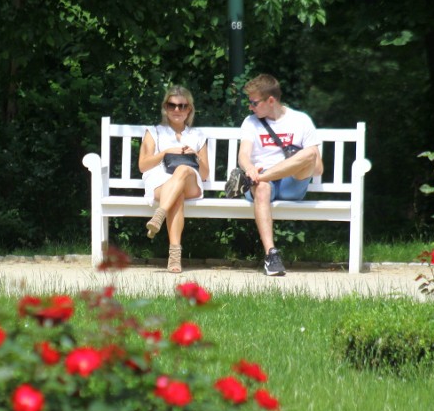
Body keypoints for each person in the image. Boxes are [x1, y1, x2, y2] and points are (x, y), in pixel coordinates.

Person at [225, 74, 323, 276]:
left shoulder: (301, 120)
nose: (250, 107)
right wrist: (249, 167)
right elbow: (243, 154)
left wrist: (268, 172)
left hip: (291, 183)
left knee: (310, 153)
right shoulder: (250, 122)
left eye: (254, 103)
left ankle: (260, 177)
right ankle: (271, 254)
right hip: (261, 185)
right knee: (261, 186)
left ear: (271, 100)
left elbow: (318, 167)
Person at [138, 85, 209, 273]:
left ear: (189, 110)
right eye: (172, 105)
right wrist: (166, 152)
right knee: (176, 194)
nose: (177, 110)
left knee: (183, 169)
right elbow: (143, 165)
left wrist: (196, 156)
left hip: (191, 183)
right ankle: (175, 257)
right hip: (160, 182)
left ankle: (160, 214)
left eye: (183, 106)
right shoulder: (153, 132)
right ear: (165, 107)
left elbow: (205, 174)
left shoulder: (197, 135)